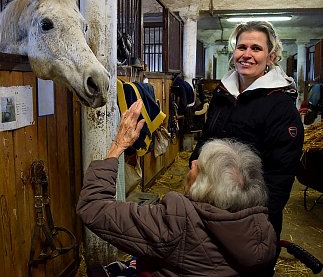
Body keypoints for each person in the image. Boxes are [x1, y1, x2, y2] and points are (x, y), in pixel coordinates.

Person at [77, 99, 277, 276]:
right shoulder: (263, 229)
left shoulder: (176, 222)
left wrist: (117, 147)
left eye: (202, 168)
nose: (193, 162)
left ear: (206, 188)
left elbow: (93, 206)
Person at [189, 21, 304, 271]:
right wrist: (195, 170)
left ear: (271, 56)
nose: (247, 54)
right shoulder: (223, 94)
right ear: (234, 52)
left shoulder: (280, 107)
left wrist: (260, 221)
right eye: (242, 47)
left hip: (251, 214)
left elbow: (281, 173)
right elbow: (206, 139)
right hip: (210, 205)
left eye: (256, 48)